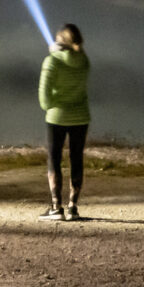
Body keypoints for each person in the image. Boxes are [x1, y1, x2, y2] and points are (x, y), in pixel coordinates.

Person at [37, 22, 91, 220]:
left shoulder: (51, 61)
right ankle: (73, 208)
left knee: (54, 160)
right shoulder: (84, 61)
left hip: (57, 117)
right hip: (81, 117)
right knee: (77, 159)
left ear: (59, 41)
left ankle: (55, 208)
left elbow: (43, 97)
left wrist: (52, 105)